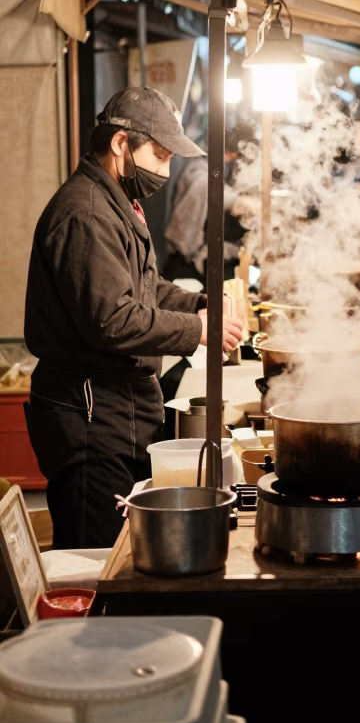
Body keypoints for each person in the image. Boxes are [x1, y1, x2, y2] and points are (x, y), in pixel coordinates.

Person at [24, 87, 244, 549]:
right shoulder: (85, 213)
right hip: (90, 420)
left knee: (126, 549)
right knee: (97, 554)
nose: (165, 171)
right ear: (122, 144)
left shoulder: (114, 203)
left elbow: (147, 290)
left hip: (117, 411)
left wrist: (202, 306)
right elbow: (112, 319)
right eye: (160, 156)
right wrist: (198, 331)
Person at [164, 122, 254, 284]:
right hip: (184, 265)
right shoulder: (198, 170)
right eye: (232, 155)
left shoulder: (214, 167)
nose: (233, 159)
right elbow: (210, 189)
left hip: (193, 262)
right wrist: (240, 202)